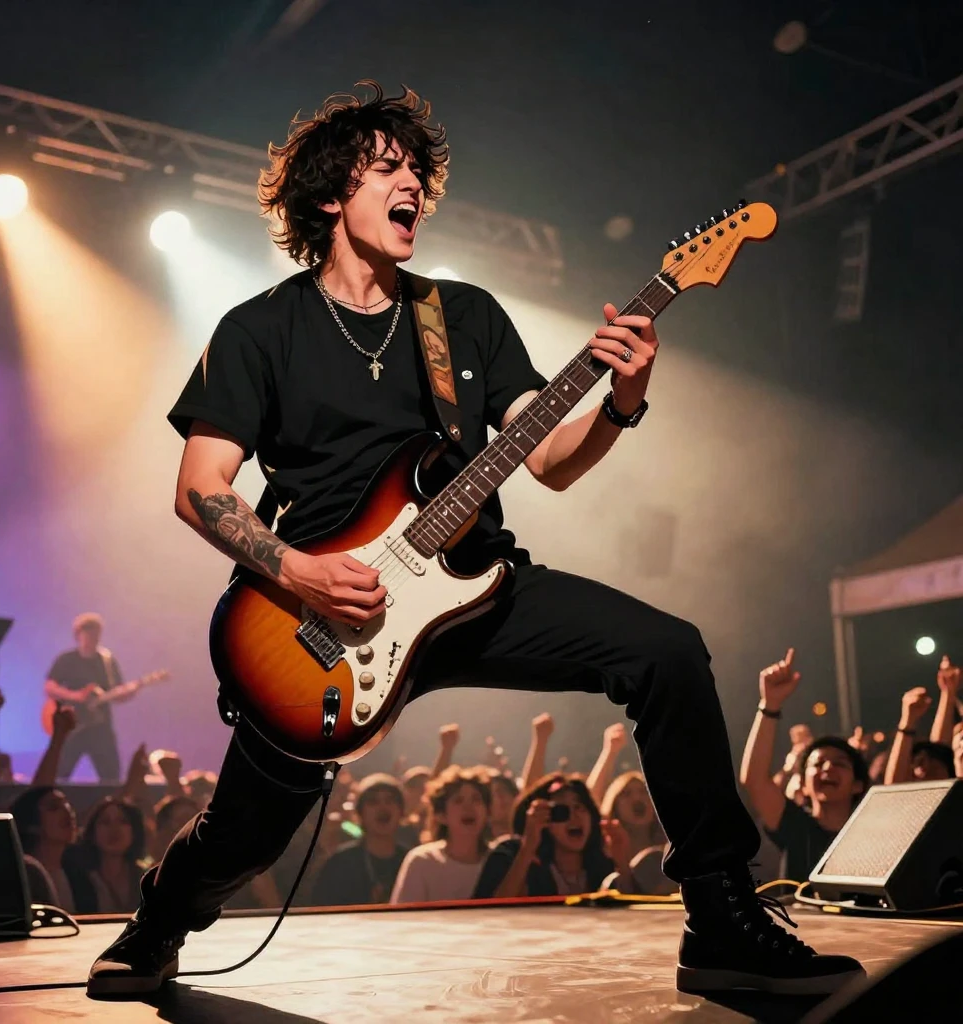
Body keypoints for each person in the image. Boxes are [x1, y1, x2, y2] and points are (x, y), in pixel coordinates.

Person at [87, 82, 862, 999]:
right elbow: (200, 488)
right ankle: (158, 924)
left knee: (667, 652)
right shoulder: (261, 329)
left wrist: (622, 401)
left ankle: (722, 915)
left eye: (419, 170)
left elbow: (552, 459)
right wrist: (301, 572)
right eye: (389, 166)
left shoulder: (462, 316)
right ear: (330, 195)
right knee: (248, 831)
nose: (413, 182)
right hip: (318, 617)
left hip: (474, 584)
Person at [740, 649, 869, 884]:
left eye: (839, 763)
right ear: (804, 784)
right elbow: (755, 780)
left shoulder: (870, 834)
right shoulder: (795, 825)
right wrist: (770, 704)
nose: (827, 768)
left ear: (858, 785)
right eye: (817, 764)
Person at [474, 773, 616, 898]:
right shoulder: (510, 854)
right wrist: (527, 849)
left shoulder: (603, 864)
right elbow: (490, 911)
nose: (574, 817)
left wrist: (622, 863)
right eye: (561, 811)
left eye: (579, 807)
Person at [43, 613, 128, 783]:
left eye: (95, 633)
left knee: (111, 777)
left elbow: (118, 693)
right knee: (58, 774)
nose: (92, 637)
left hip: (100, 728)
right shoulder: (67, 660)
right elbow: (50, 687)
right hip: (71, 726)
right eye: (87, 632)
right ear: (78, 634)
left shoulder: (107, 661)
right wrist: (76, 696)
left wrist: (127, 693)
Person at [390, 767, 490, 903]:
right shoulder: (422, 862)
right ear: (441, 815)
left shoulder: (499, 860)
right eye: (458, 800)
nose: (468, 807)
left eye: (476, 799)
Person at [311, 773, 409, 906]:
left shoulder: (411, 860)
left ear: (401, 811)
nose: (383, 807)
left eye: (390, 800)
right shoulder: (341, 863)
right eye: (373, 802)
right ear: (360, 813)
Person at [600, 771, 675, 895]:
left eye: (644, 791)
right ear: (614, 805)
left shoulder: (672, 850)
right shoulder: (602, 855)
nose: (637, 798)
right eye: (626, 793)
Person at [80, 797, 146, 914]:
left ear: (134, 831)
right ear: (92, 833)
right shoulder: (79, 878)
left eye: (123, 821)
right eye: (105, 822)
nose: (114, 829)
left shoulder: (146, 877)